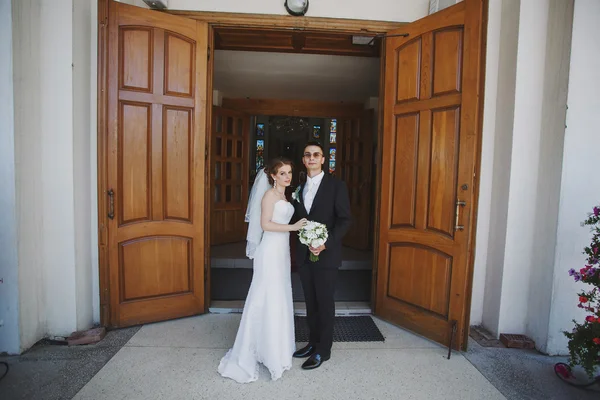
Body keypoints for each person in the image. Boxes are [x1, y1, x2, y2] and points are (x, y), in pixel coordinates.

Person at [218, 158, 308, 383]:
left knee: (279, 294)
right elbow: (266, 224)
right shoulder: (269, 195)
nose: (287, 177)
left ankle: (275, 347)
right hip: (269, 250)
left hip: (281, 251)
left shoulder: (284, 196)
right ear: (273, 176)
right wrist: (293, 227)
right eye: (283, 173)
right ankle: (257, 347)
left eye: (289, 173)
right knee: (265, 294)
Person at [291, 141, 352, 370]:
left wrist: (326, 243)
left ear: (324, 159)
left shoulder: (337, 186)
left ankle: (323, 350)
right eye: (308, 155)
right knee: (310, 302)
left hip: (326, 256)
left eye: (316, 154)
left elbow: (345, 220)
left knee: (325, 303)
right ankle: (312, 342)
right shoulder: (298, 188)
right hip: (304, 257)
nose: (312, 158)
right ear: (303, 160)